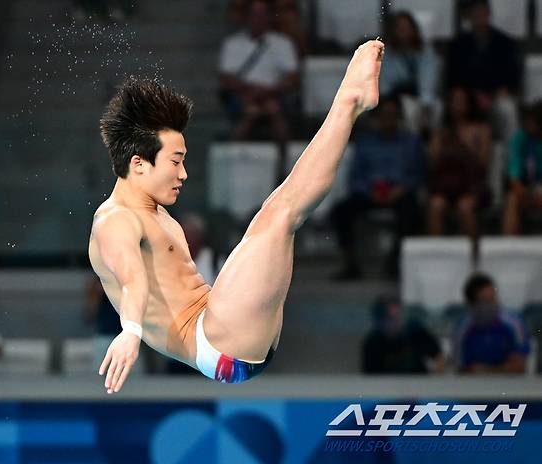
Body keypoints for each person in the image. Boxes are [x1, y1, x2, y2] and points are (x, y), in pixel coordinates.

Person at [90, 39, 385, 393]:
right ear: (138, 164)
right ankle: (350, 101)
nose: (183, 174)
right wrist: (131, 331)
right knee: (280, 214)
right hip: (216, 341)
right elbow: (132, 278)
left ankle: (351, 103)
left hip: (223, 326)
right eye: (175, 161)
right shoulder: (115, 220)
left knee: (278, 216)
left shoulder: (156, 214)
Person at [330, 96, 424, 279]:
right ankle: (351, 264)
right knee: (340, 212)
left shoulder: (411, 142)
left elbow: (418, 175)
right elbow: (356, 176)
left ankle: (395, 262)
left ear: (399, 116)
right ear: (377, 117)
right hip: (370, 192)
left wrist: (401, 189)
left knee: (412, 212)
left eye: (392, 114)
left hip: (399, 193)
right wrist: (369, 191)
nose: (388, 118)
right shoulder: (365, 143)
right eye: (384, 114)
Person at [218, 0, 299, 180]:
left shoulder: (283, 43)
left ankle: (283, 168)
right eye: (254, 14)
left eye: (263, 14)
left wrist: (269, 91)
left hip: (274, 95)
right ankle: (232, 167)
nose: (258, 19)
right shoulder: (232, 43)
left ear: (270, 17)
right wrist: (251, 92)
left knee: (274, 109)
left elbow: (292, 77)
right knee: (250, 112)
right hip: (243, 95)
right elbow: (227, 78)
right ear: (247, 17)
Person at [446, 0, 522, 143]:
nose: (479, 15)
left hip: (495, 97)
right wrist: (472, 95)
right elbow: (452, 78)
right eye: (475, 12)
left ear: (489, 14)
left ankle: (511, 158)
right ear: (469, 16)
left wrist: (495, 94)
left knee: (508, 108)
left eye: (482, 12)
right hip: (467, 97)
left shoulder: (504, 43)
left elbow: (513, 77)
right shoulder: (458, 44)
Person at [427, 87, 492, 239]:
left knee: (465, 207)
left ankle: (472, 258)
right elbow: (433, 164)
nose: (457, 105)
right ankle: (437, 258)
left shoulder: (482, 130)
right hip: (446, 185)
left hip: (473, 186)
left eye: (461, 101)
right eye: (454, 101)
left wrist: (462, 147)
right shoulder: (440, 132)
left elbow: (483, 164)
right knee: (435, 206)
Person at [454, 273, 530, 374]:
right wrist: (503, 368)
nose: (491, 305)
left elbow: (519, 368)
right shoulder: (462, 328)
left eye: (493, 299)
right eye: (485, 300)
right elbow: (460, 369)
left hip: (510, 386)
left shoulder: (513, 323)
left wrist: (483, 370)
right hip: (472, 386)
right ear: (472, 304)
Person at [380, 11, 439, 134]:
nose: (403, 31)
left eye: (406, 27)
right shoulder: (387, 53)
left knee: (426, 112)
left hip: (419, 98)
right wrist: (388, 102)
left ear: (414, 29)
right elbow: (385, 83)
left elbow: (428, 79)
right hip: (395, 98)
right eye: (399, 27)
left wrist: (425, 102)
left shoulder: (426, 51)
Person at [362, 295, 444, 374]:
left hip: (418, 384)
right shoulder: (373, 342)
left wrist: (436, 380)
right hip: (385, 385)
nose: (393, 320)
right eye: (388, 317)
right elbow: (370, 376)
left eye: (396, 315)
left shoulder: (415, 330)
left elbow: (439, 357)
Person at [503, 103, 542, 234]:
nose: (527, 125)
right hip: (526, 189)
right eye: (526, 121)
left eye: (531, 122)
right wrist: (526, 194)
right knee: (512, 199)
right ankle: (508, 247)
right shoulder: (519, 139)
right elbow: (514, 176)